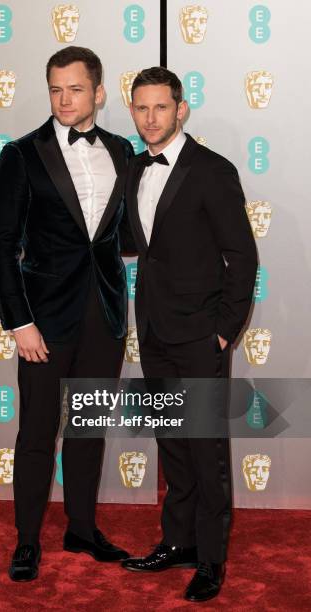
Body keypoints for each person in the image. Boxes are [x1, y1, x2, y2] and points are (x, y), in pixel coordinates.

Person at [0, 46, 134, 582]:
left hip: (105, 313)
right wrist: (19, 321)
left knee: (88, 429)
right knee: (36, 432)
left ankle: (81, 528)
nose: (64, 99)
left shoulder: (122, 150)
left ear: (98, 92)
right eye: (55, 88)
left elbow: (127, 232)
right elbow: (2, 245)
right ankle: (27, 540)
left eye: (75, 89)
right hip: (44, 320)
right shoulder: (22, 154)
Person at [121, 67, 258, 602]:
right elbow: (139, 246)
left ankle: (211, 557)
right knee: (171, 445)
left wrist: (224, 331)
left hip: (201, 336)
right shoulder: (133, 169)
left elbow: (241, 255)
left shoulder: (212, 170)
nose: (150, 118)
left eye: (160, 107)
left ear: (181, 109)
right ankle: (176, 543)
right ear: (132, 111)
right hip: (152, 331)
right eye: (140, 108)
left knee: (205, 449)